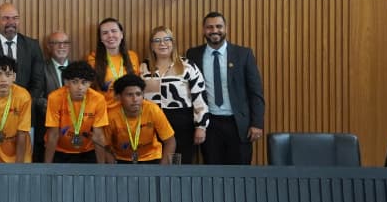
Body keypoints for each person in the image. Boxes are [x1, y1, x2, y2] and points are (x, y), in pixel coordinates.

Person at [184, 11, 265, 165]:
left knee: (240, 174)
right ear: (203, 30)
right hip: (210, 125)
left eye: (219, 26)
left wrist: (257, 123)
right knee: (213, 171)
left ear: (226, 28)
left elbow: (256, 92)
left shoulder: (243, 54)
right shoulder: (193, 54)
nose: (214, 31)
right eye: (209, 27)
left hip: (238, 125)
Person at [0, 3, 46, 158]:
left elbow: (38, 81)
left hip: (23, 114)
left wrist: (21, 104)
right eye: (5, 18)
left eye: (15, 18)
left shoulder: (32, 45)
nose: (11, 22)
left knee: (23, 161)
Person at [141, 25, 209, 166]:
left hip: (182, 125)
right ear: (152, 46)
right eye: (157, 40)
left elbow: (199, 97)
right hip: (151, 125)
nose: (162, 43)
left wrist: (201, 126)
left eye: (167, 39)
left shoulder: (187, 66)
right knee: (154, 165)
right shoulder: (143, 67)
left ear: (173, 43)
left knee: (179, 166)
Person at [44, 60, 109, 163]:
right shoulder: (54, 98)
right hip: (60, 151)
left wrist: (102, 169)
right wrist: (47, 167)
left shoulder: (98, 99)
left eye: (84, 82)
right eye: (75, 82)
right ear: (66, 82)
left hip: (88, 151)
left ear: (90, 83)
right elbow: (53, 134)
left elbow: (98, 135)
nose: (80, 87)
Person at [102, 74, 175, 165]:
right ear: (119, 97)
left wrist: (161, 170)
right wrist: (113, 168)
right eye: (129, 95)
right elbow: (105, 146)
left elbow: (170, 141)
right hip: (121, 159)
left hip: (151, 157)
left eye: (138, 94)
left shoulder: (153, 110)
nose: (135, 99)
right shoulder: (111, 115)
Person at [87, 17, 140, 112]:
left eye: (114, 31)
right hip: (104, 112)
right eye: (105, 33)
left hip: (128, 111)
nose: (110, 35)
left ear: (121, 35)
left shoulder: (132, 56)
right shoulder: (93, 58)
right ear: (101, 39)